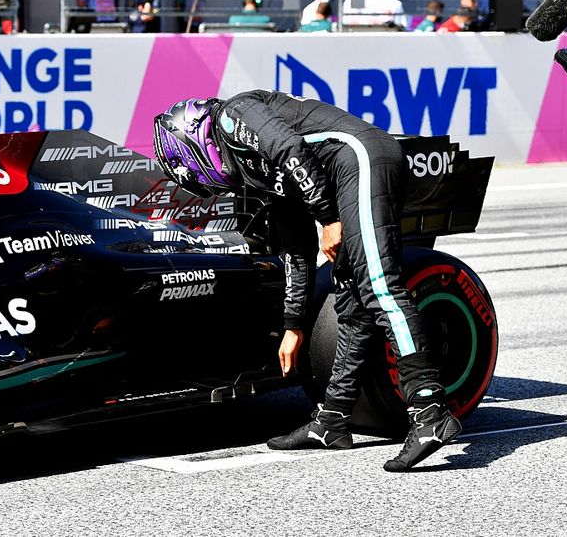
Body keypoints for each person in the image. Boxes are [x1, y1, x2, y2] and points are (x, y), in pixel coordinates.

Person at [153, 93, 461, 471]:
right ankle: (331, 421)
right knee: (351, 306)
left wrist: (330, 219)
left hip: (362, 158)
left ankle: (429, 410)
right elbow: (296, 251)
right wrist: (294, 325)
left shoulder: (233, 115)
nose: (197, 177)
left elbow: (291, 148)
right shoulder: (256, 172)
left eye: (189, 166)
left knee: (380, 287)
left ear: (195, 138)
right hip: (342, 177)